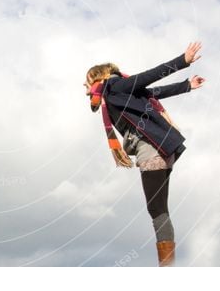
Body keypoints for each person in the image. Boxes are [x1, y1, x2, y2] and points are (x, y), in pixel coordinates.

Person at [84, 42, 205, 266]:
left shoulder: (114, 86)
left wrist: (182, 61)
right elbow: (153, 92)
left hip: (151, 149)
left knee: (157, 209)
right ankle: (168, 264)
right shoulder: (118, 93)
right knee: (158, 209)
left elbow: (148, 77)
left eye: (89, 80)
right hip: (159, 150)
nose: (86, 86)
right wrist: (186, 85)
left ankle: (167, 266)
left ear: (99, 76)